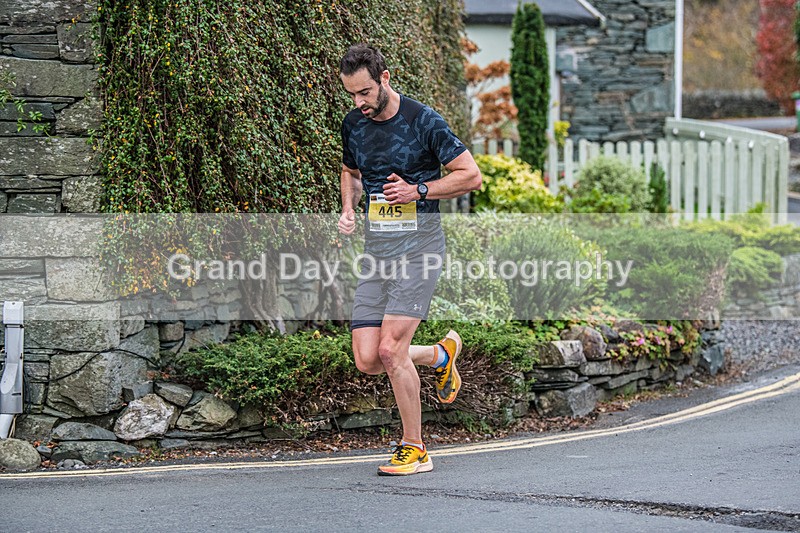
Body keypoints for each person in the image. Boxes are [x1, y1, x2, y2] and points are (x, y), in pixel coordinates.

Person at [337, 43, 482, 476]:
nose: (358, 103)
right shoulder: (353, 125)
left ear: (384, 78)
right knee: (367, 358)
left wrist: (418, 191)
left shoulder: (423, 121)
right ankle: (440, 356)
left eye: (364, 92)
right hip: (377, 254)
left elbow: (470, 175)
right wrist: (348, 208)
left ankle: (415, 448)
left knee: (390, 349)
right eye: (351, 95)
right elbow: (351, 172)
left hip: (420, 251)